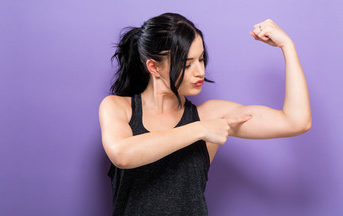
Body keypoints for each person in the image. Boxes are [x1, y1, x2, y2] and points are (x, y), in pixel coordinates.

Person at [98, 13, 311, 216]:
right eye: (187, 64)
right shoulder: (119, 108)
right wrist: (201, 130)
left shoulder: (210, 115)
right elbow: (122, 155)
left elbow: (296, 122)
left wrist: (287, 47)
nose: (200, 71)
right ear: (154, 67)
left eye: (201, 59)